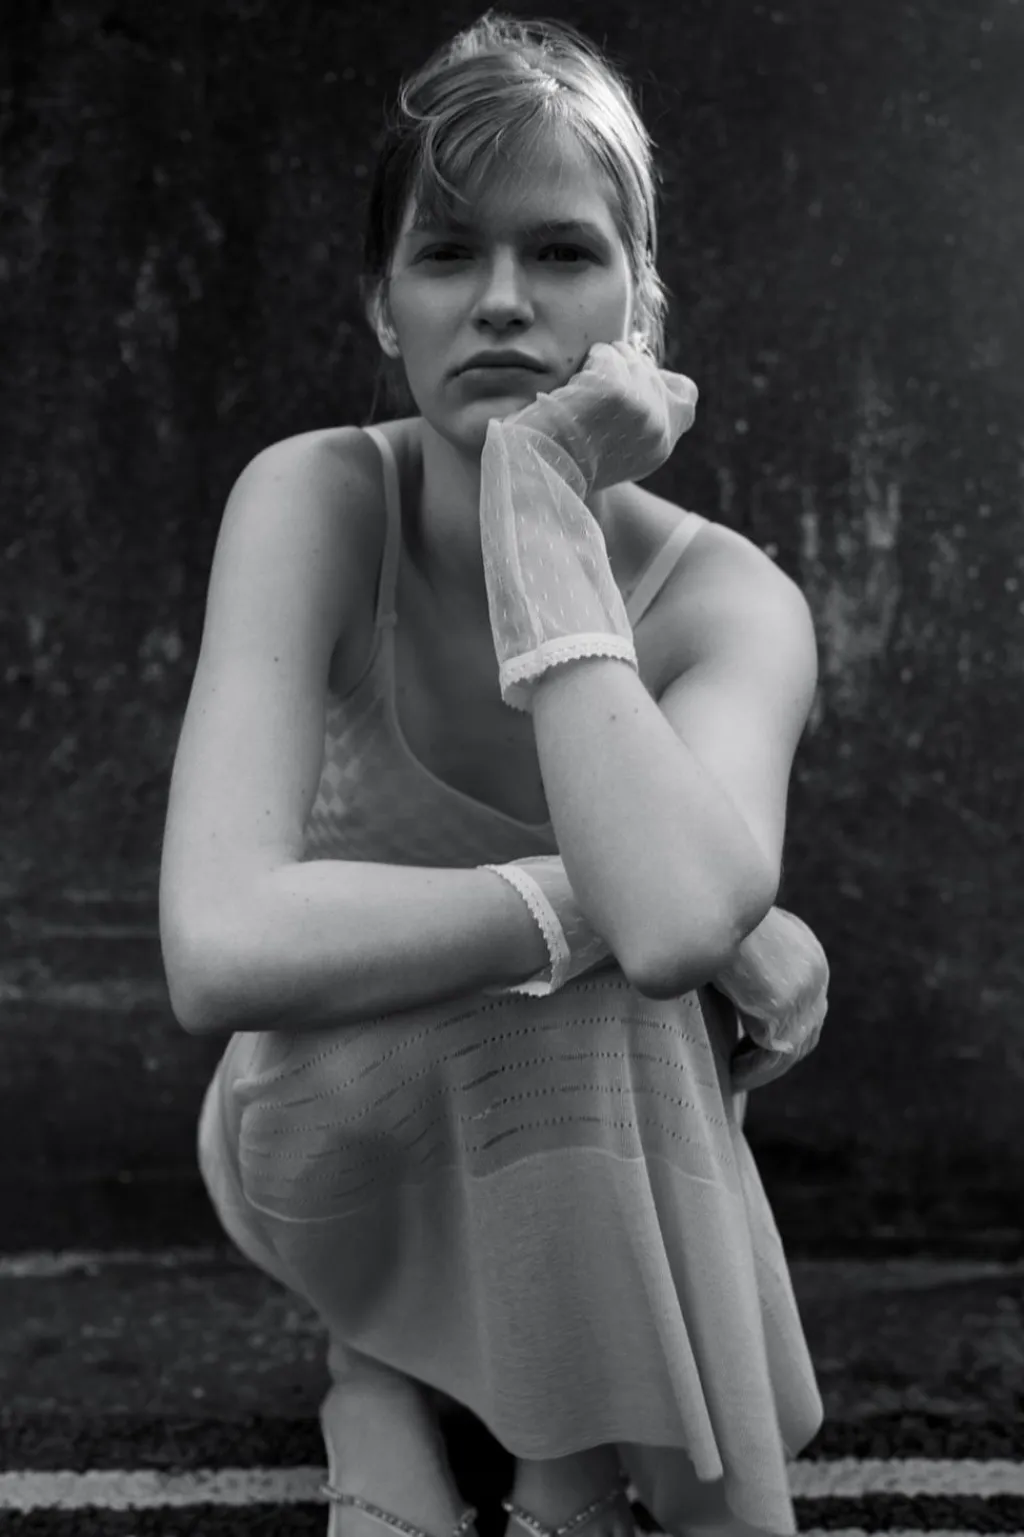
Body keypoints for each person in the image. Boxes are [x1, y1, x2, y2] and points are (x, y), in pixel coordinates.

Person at [159, 12, 828, 1537]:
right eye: (449, 254)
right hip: (329, 1124)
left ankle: (531, 1440)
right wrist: (653, 907)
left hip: (595, 1148)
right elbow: (218, 949)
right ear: (382, 304)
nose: (506, 299)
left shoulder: (734, 603)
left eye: (566, 253)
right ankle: (439, 1393)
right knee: (618, 964)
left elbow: (673, 931)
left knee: (628, 991)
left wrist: (543, 508)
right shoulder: (314, 498)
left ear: (642, 301)